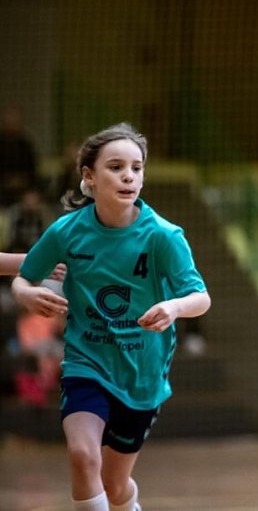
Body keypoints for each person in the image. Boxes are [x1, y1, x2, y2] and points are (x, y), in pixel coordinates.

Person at [11, 123, 211, 511]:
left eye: (136, 168)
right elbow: (25, 275)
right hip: (86, 363)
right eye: (116, 167)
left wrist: (174, 307)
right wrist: (25, 293)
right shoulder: (67, 231)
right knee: (83, 456)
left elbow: (200, 298)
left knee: (114, 486)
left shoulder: (163, 236)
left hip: (141, 373)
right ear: (89, 176)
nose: (128, 176)